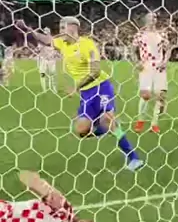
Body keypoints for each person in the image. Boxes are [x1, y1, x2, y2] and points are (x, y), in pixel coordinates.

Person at [16, 17, 143, 171]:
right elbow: (46, 39)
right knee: (81, 131)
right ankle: (106, 127)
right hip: (86, 93)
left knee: (109, 121)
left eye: (63, 28)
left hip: (101, 87)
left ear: (73, 28)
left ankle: (133, 157)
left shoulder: (87, 44)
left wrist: (75, 87)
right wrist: (27, 29)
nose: (60, 31)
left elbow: (95, 71)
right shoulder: (62, 44)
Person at [133, 13, 171, 134]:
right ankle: (141, 121)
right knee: (146, 95)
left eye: (155, 17)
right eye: (150, 17)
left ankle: (154, 124)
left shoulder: (162, 34)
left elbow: (168, 49)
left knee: (160, 95)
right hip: (146, 66)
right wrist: (136, 62)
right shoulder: (139, 35)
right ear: (146, 20)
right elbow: (132, 50)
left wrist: (164, 62)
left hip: (159, 67)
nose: (153, 19)